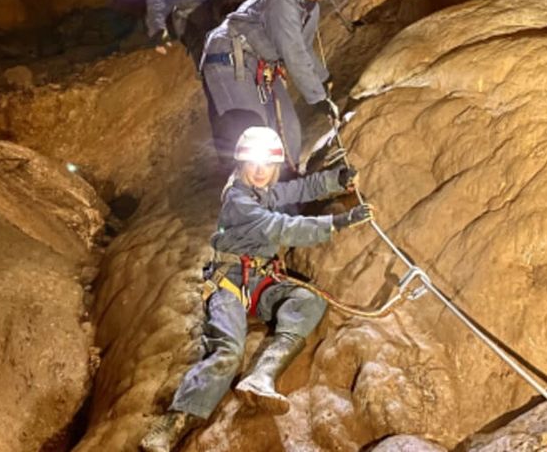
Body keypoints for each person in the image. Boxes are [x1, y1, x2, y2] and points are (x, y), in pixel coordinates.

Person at [139, 126, 374, 452]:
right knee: (229, 352)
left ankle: (262, 375)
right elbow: (280, 228)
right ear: (241, 165)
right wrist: (336, 223)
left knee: (309, 301)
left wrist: (337, 180)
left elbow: (299, 188)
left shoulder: (263, 191)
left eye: (266, 164)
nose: (260, 171)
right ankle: (172, 424)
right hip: (229, 281)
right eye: (253, 164)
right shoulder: (238, 198)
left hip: (262, 280)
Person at [199, 0, 343, 171]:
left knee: (289, 128)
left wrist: (324, 78)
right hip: (229, 57)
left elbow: (303, 46)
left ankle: (287, 192)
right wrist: (318, 98)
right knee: (254, 133)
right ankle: (249, 196)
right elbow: (293, 53)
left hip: (260, 63)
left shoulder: (310, 8)